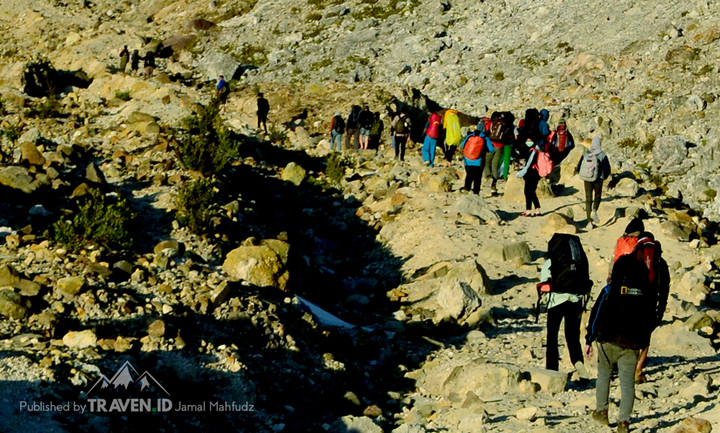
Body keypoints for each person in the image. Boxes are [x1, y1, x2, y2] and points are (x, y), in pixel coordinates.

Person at [585, 230, 669, 433]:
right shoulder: (647, 288)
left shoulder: (611, 288)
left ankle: (601, 411)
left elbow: (596, 312)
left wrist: (589, 338)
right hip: (632, 341)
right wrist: (643, 341)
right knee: (627, 382)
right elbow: (650, 314)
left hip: (608, 337)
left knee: (604, 374)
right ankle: (623, 422)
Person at [539, 234, 591, 374]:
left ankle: (552, 370)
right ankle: (578, 363)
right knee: (572, 336)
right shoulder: (578, 259)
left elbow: (544, 281)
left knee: (552, 337)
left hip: (556, 301)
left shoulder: (552, 261)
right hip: (575, 300)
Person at [576, 136, 611, 227]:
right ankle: (594, 210)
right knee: (597, 196)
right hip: (598, 179)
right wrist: (604, 177)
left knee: (588, 199)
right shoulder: (602, 154)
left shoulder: (586, 153)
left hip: (587, 178)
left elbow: (578, 167)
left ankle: (589, 222)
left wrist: (584, 175)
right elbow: (607, 169)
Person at [460, 123, 493, 194]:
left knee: (469, 175)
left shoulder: (470, 135)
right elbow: (491, 149)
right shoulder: (485, 138)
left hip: (468, 160)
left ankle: (467, 188)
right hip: (479, 161)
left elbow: (462, 145)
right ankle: (476, 192)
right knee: (477, 177)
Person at [485, 111, 513, 194]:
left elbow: (486, 132)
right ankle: (494, 185)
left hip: (491, 145)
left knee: (486, 162)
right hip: (500, 146)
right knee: (495, 165)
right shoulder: (505, 124)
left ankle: (488, 176)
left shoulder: (491, 123)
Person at [515, 141, 543, 216]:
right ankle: (537, 210)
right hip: (537, 173)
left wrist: (520, 174)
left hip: (531, 173)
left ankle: (528, 210)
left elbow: (528, 164)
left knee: (527, 192)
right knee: (532, 192)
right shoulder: (539, 150)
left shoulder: (533, 151)